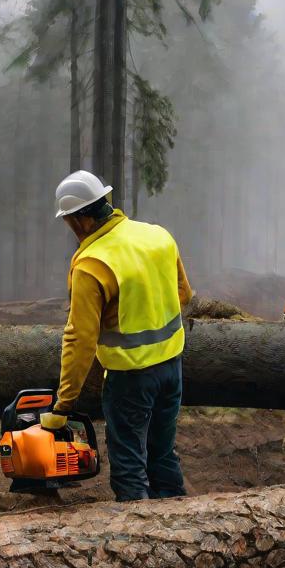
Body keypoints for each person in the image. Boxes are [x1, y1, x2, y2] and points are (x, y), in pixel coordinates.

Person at [43, 171, 194, 502]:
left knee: (129, 465)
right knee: (162, 453)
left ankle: (138, 543)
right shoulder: (157, 236)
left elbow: (79, 339)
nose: (69, 228)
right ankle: (182, 530)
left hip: (130, 379)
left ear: (81, 219)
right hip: (172, 366)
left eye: (68, 220)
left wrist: (64, 403)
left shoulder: (92, 263)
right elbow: (183, 294)